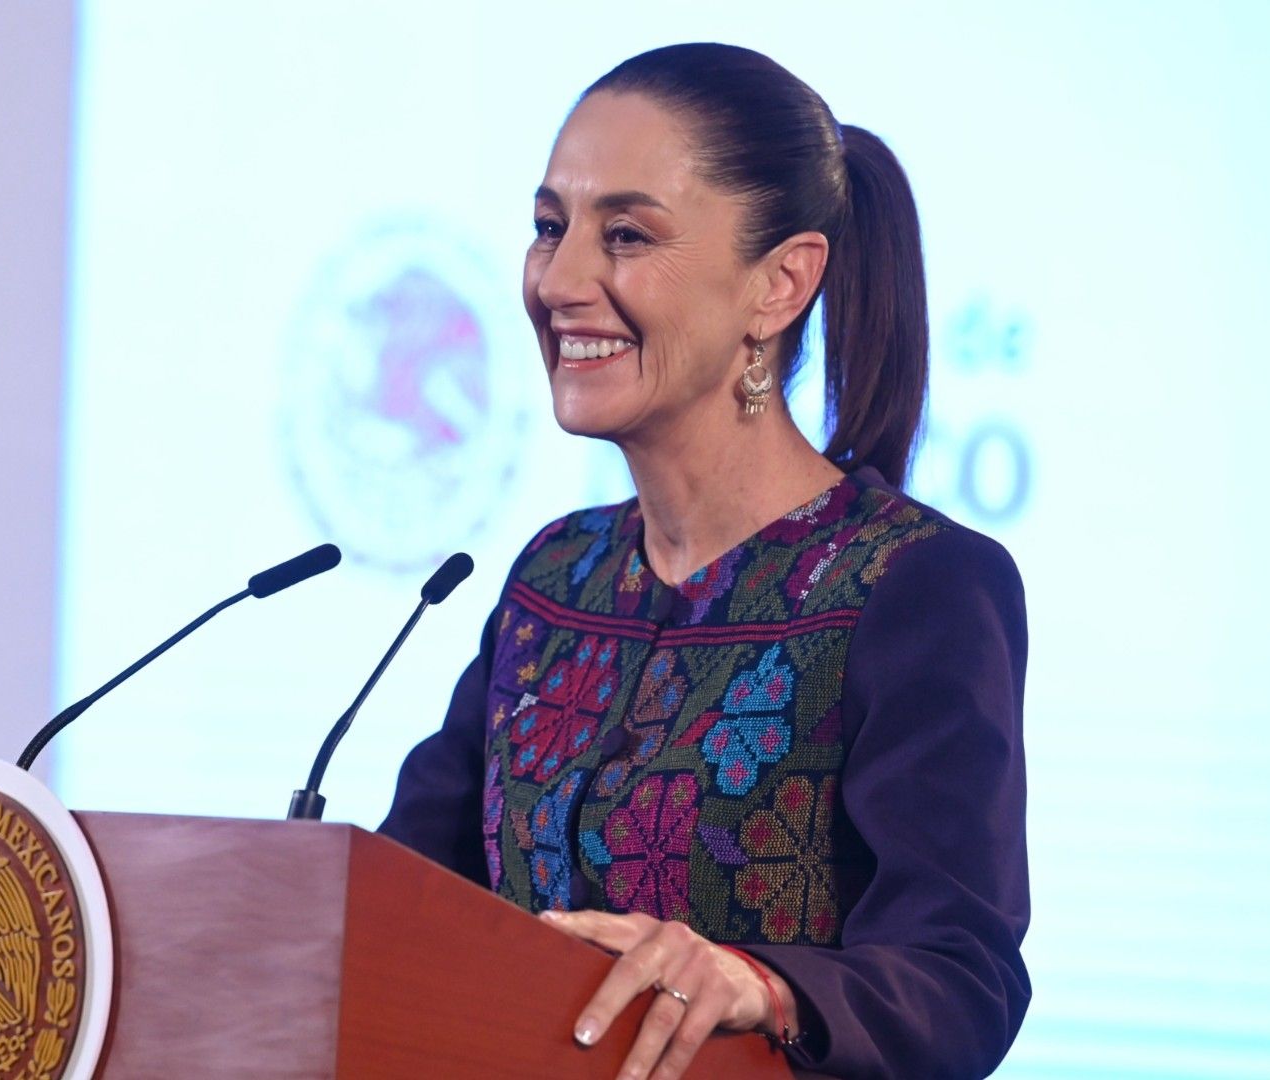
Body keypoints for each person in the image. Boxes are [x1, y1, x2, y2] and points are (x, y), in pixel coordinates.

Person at [377, 43, 1029, 1080]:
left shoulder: (914, 586)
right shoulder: (556, 581)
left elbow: (959, 978)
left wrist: (758, 984)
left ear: (779, 284)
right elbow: (396, 901)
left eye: (625, 234)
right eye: (550, 228)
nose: (559, 281)